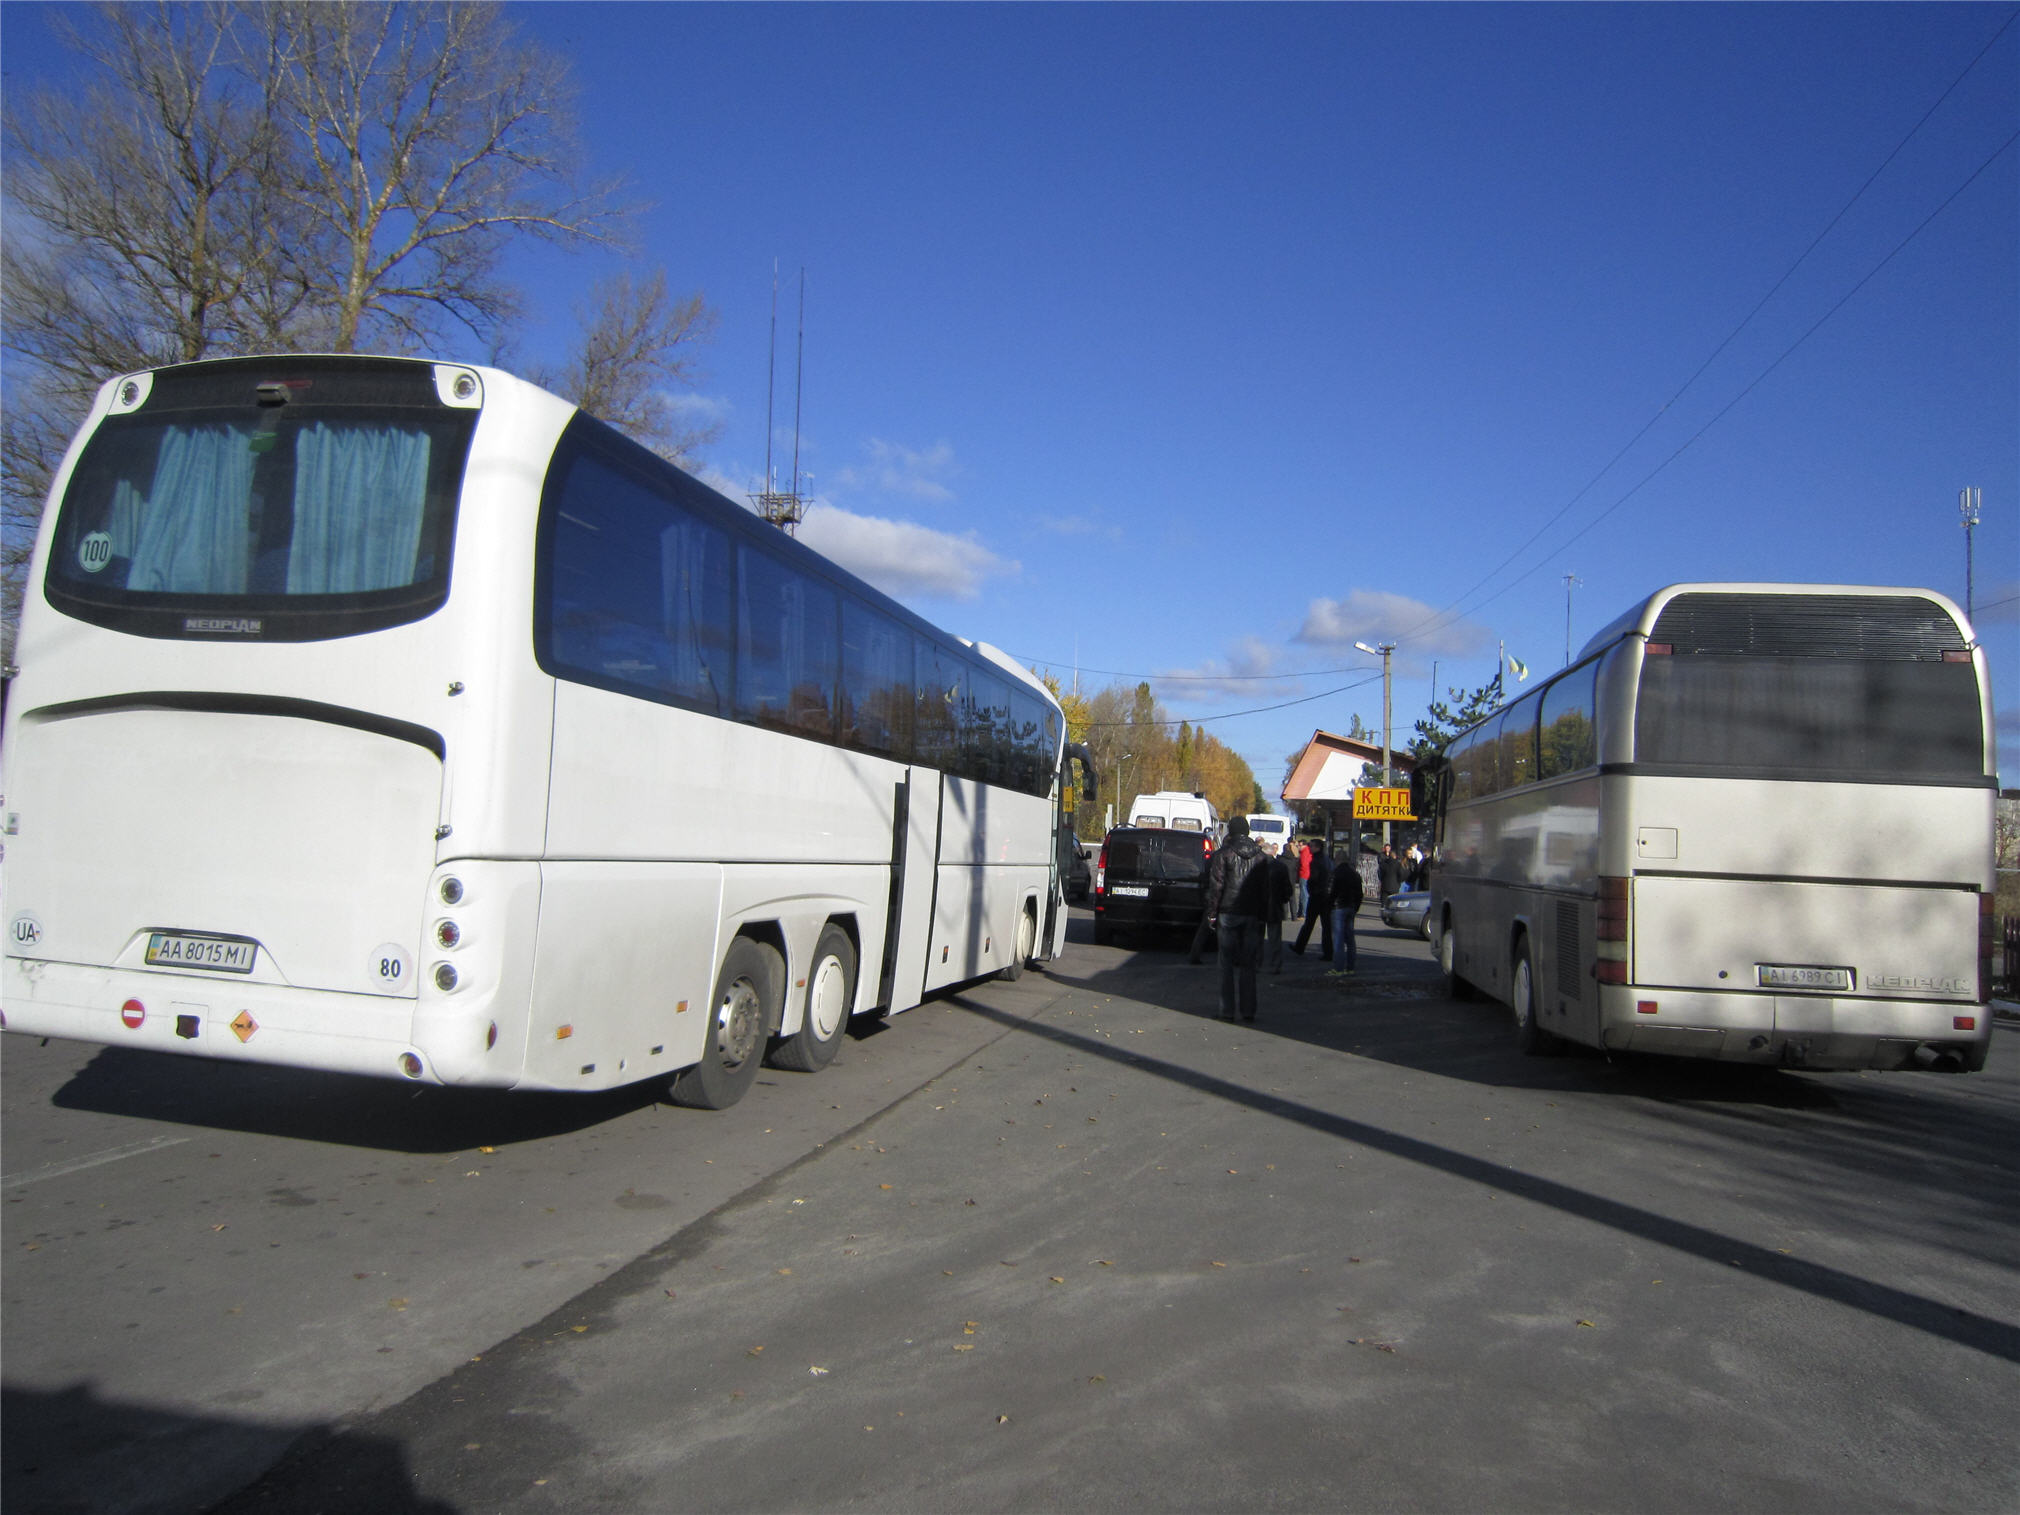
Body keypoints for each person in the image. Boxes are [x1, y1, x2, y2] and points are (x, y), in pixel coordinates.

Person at [1207, 815, 1272, 1021]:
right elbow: (1265, 891)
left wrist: (1212, 914)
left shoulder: (1223, 854)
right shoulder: (1261, 857)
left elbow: (1216, 887)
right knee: (1248, 964)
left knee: (1225, 964)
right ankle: (1248, 1011)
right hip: (1251, 913)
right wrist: (1262, 916)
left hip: (1228, 912)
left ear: (1231, 831)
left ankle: (1226, 1011)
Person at [1291, 837, 1333, 959]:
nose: (1309, 848)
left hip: (1317, 895)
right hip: (1325, 895)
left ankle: (1300, 946)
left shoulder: (1316, 861)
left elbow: (1314, 878)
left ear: (1318, 848)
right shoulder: (1326, 859)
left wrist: (1312, 889)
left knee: (1309, 923)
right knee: (1326, 925)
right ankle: (1328, 952)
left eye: (1312, 846)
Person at [1327, 854, 1364, 976]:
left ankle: (1338, 968)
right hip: (1350, 907)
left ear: (1337, 860)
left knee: (1338, 940)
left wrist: (1329, 906)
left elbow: (1330, 892)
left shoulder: (1335, 873)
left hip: (1338, 908)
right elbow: (1360, 894)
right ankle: (1350, 967)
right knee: (1350, 939)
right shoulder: (1355, 874)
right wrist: (1355, 907)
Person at [1262, 843, 1293, 973]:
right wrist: (1283, 900)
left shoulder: (1256, 866)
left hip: (1259, 906)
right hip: (1275, 905)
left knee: (1256, 937)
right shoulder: (1281, 866)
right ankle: (1275, 964)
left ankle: (1257, 963)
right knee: (1275, 938)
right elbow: (1288, 888)